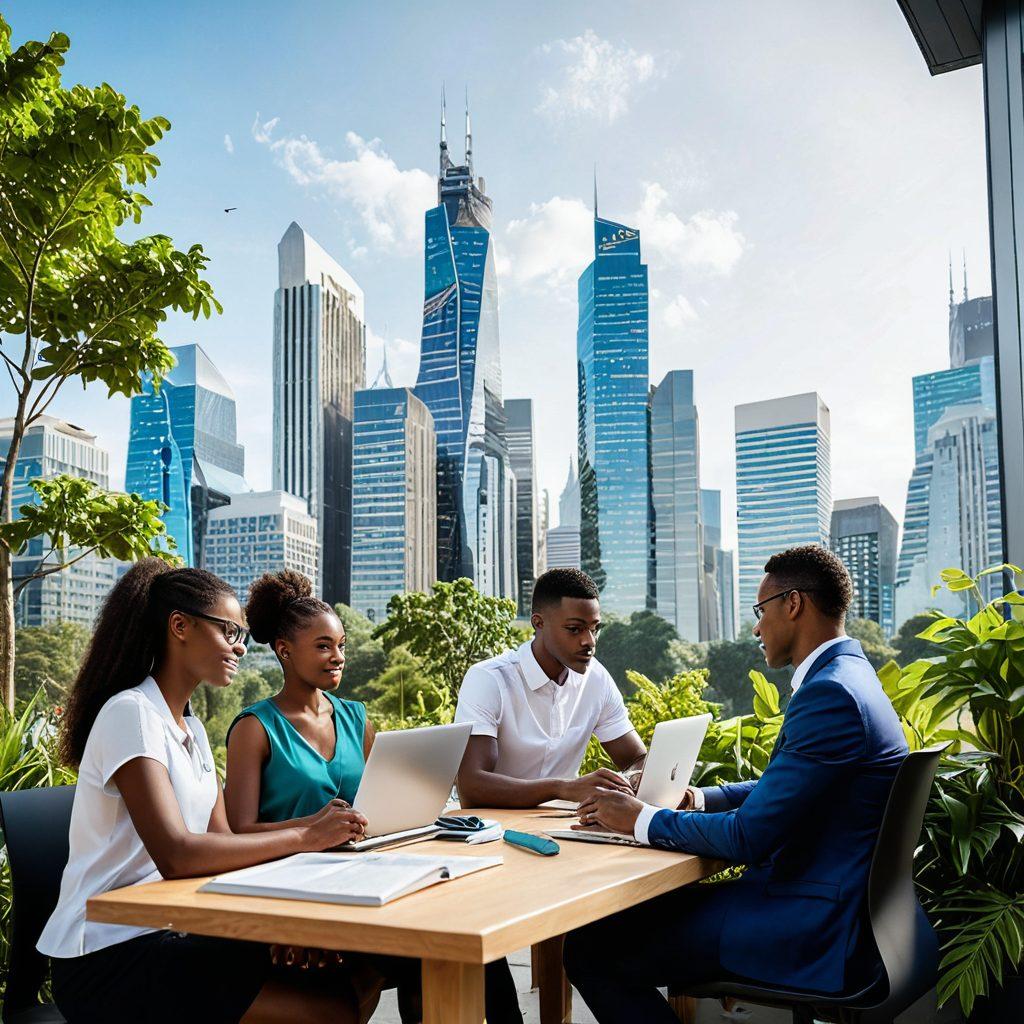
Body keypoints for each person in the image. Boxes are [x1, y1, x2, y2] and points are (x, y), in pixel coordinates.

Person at [562, 545, 930, 1024]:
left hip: (811, 925)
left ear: (793, 605)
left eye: (761, 611)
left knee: (591, 947)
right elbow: (782, 786)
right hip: (840, 910)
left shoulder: (831, 693)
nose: (757, 627)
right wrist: (697, 797)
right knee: (643, 918)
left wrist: (640, 819)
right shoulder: (852, 676)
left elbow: (748, 837)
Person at [36, 560, 376, 1024]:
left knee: (347, 971)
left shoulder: (190, 729)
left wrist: (320, 829)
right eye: (228, 632)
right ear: (180, 626)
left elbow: (227, 842)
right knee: (330, 1009)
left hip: (177, 929)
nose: (239, 647)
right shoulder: (131, 714)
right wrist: (305, 836)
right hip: (110, 953)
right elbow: (177, 855)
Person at [223, 570, 522, 1024]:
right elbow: (238, 832)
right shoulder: (254, 728)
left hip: (363, 879)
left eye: (341, 645)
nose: (338, 656)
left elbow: (382, 801)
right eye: (324, 646)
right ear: (284, 650)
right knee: (429, 952)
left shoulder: (355, 717)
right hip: (293, 893)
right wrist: (311, 828)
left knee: (471, 944)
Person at [455, 566, 646, 810]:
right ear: (538, 623)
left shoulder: (597, 678)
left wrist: (633, 779)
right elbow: (472, 786)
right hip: (493, 829)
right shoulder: (489, 679)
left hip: (566, 826)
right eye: (575, 629)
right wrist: (563, 788)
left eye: (594, 628)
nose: (589, 641)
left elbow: (636, 758)